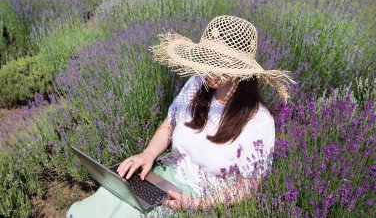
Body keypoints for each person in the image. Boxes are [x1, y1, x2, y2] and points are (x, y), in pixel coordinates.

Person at [66, 15, 295, 217]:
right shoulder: (197, 84)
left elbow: (248, 186)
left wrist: (196, 204)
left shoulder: (258, 122)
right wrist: (148, 154)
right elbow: (169, 126)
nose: (208, 68)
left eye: (219, 63)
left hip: (204, 200)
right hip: (167, 178)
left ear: (240, 69)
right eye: (206, 59)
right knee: (109, 197)